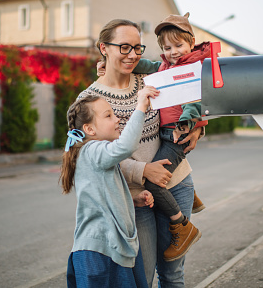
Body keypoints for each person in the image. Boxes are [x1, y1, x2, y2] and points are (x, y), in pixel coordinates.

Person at [78, 19, 203, 287]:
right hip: (136, 197)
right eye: (124, 47)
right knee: (143, 278)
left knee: (173, 275)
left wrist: (198, 131)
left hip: (176, 183)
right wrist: (142, 170)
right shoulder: (89, 100)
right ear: (104, 48)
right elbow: (87, 154)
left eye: (137, 47)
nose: (133, 55)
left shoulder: (152, 79)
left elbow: (191, 102)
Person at [129, 12, 211, 261]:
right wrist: (116, 62)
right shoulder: (168, 64)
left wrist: (187, 123)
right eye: (167, 47)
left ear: (191, 42)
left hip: (178, 133)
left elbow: (195, 100)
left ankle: (182, 226)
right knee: (156, 165)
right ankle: (192, 198)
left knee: (153, 181)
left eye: (178, 45)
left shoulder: (195, 67)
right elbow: (152, 66)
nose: (173, 51)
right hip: (165, 134)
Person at [60, 85, 159, 288]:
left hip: (108, 248)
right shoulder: (93, 150)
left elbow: (101, 195)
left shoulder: (93, 155)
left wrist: (131, 200)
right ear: (89, 129)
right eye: (108, 116)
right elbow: (126, 146)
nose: (117, 120)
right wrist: (141, 105)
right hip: (100, 253)